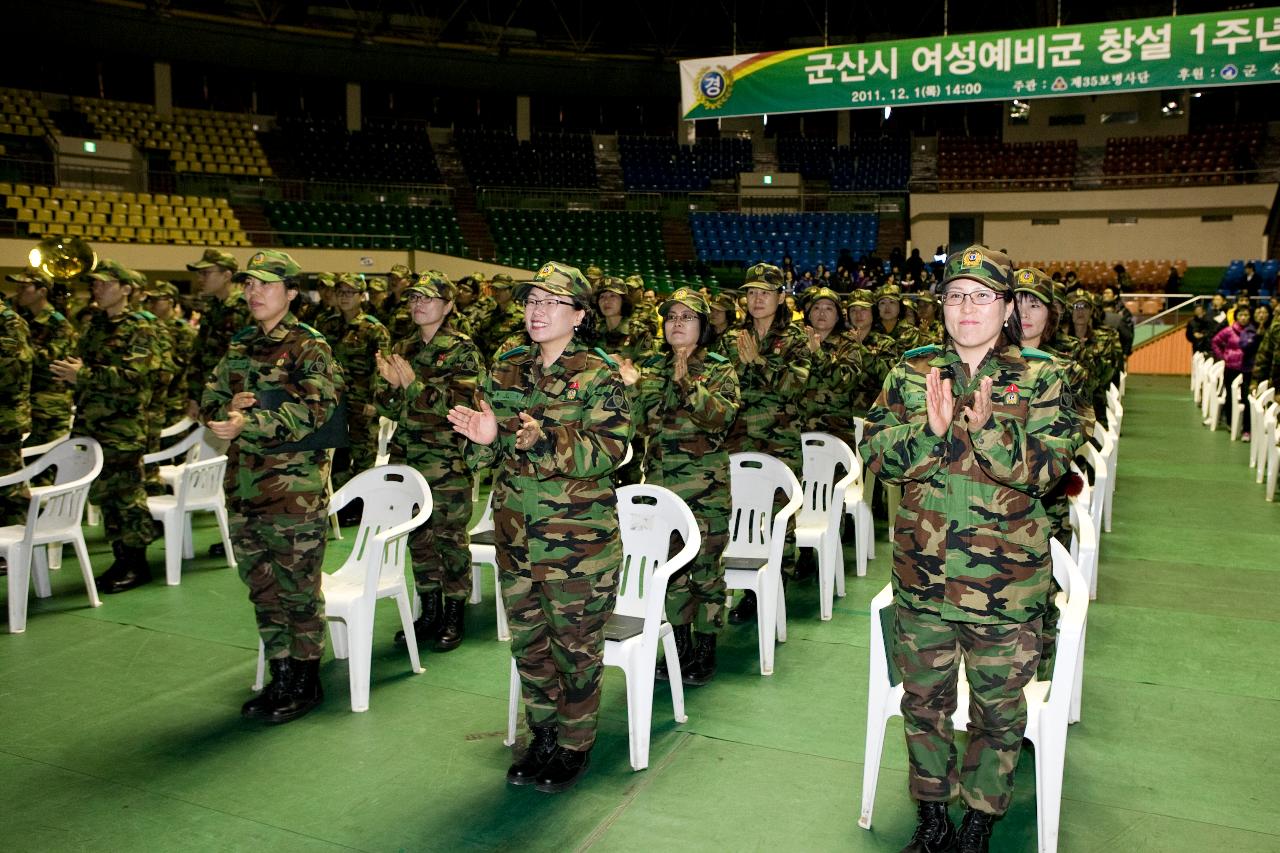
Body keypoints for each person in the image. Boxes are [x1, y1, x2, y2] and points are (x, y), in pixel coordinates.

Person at [865, 246, 1078, 853]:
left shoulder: (1043, 377)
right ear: (941, 306)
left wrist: (988, 429)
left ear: (1007, 308)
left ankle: (980, 820)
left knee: (998, 714)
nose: (967, 307)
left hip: (1005, 584)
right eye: (956, 295)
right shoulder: (910, 373)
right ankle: (932, 817)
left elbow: (1050, 470)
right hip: (924, 579)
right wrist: (927, 433)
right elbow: (878, 458)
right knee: (924, 705)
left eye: (982, 296)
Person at [447, 261, 632, 793]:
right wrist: (481, 441)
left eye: (552, 303)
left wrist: (543, 440)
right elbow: (482, 444)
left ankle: (574, 744)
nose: (537, 311)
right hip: (515, 532)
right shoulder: (505, 366)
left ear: (578, 314)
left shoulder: (598, 374)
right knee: (529, 643)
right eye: (531, 300)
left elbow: (612, 450)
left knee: (574, 646)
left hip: (577, 540)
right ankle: (544, 735)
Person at [201, 250, 341, 725]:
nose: (253, 293)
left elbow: (318, 413)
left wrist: (250, 420)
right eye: (247, 284)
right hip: (244, 487)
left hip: (292, 494)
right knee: (261, 587)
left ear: (291, 292)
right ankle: (280, 672)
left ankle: (306, 678)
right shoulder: (240, 344)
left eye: (264, 284)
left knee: (298, 590)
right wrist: (223, 414)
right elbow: (210, 396)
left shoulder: (309, 346)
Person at [618, 288, 740, 685]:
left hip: (705, 486)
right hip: (661, 485)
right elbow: (642, 425)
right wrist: (633, 388)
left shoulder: (720, 368)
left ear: (703, 326)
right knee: (669, 572)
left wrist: (688, 385)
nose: (677, 323)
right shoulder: (651, 367)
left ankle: (705, 647)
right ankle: (679, 645)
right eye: (671, 317)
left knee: (705, 570)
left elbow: (719, 420)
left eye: (687, 317)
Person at [375, 271, 483, 652]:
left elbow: (460, 407)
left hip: (447, 460)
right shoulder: (402, 346)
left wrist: (411, 387)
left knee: (449, 538)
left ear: (449, 306)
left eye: (428, 299)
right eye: (414, 299)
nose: (418, 305)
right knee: (418, 538)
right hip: (408, 457)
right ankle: (429, 609)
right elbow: (385, 407)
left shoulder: (462, 349)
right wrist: (388, 386)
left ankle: (454, 613)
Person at [52, 259, 159, 593]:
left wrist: (82, 374)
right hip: (93, 421)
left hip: (123, 426)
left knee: (127, 496)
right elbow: (83, 364)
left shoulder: (140, 327)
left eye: (104, 283)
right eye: (94, 283)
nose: (96, 288)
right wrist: (76, 373)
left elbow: (135, 378)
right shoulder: (96, 324)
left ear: (126, 290)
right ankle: (120, 557)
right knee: (106, 495)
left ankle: (137, 563)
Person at [713, 262, 810, 622]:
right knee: (740, 513)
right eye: (751, 292)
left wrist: (757, 363)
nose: (756, 299)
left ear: (781, 297)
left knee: (777, 517)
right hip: (738, 437)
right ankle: (745, 588)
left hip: (779, 440)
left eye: (765, 293)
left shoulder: (795, 338)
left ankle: (775, 587)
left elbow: (795, 384)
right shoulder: (729, 339)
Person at [320, 273, 390, 491]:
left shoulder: (374, 329)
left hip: (362, 404)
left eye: (350, 292)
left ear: (362, 296)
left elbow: (383, 368)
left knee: (363, 455)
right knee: (336, 456)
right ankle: (343, 505)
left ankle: (363, 504)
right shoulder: (327, 325)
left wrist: (376, 402)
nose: (344, 297)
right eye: (340, 292)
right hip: (333, 403)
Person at [7, 267, 76, 445]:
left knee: (46, 464)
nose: (18, 291)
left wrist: (14, 347)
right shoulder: (21, 319)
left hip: (49, 406)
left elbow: (45, 361)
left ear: (42, 291)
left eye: (25, 287)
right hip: (25, 401)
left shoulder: (59, 325)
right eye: (18, 286)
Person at [185, 248, 249, 419]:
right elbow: (198, 355)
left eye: (205, 273)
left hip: (234, 398)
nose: (200, 279)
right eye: (199, 274)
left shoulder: (246, 308)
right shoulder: (210, 308)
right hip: (210, 396)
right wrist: (194, 398)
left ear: (227, 275)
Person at [0, 289, 33, 526]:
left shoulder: (10, 322)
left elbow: (13, 370)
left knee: (9, 487)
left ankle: (14, 549)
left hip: (5, 418)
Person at [1213, 304, 1255, 436]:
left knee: (1245, 397)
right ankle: (1230, 422)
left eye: (1246, 315)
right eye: (1241, 315)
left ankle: (1245, 427)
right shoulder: (1228, 331)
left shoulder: (1253, 332)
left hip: (1247, 369)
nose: (1243, 318)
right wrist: (1222, 356)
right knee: (1230, 395)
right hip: (1231, 368)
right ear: (1236, 316)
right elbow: (1215, 341)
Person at [593, 276, 654, 362]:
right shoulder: (593, 331)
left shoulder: (639, 333)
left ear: (624, 301)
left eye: (612, 296)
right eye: (602, 297)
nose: (606, 301)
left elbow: (647, 367)